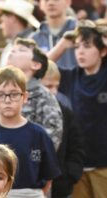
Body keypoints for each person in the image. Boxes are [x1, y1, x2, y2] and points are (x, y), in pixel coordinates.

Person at [0, 67, 60, 197]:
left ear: (24, 97)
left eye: (14, 94)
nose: (7, 100)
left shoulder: (39, 134)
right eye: (1, 95)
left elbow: (49, 175)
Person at [47, 19, 107, 198]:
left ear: (102, 51)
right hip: (78, 164)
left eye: (87, 46)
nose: (80, 51)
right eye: (77, 47)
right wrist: (64, 44)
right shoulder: (72, 76)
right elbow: (40, 67)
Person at [41, 60, 84, 198]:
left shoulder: (65, 112)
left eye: (56, 86)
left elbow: (76, 147)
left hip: (61, 188)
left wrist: (70, 176)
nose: (53, 91)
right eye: (48, 86)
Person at [0, 0, 40, 67]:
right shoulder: (11, 45)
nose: (1, 26)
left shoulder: (32, 44)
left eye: (2, 21)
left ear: (13, 18)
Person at [31, 0, 78, 71]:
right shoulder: (34, 39)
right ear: (40, 4)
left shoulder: (80, 33)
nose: (51, 3)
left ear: (68, 2)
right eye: (46, 0)